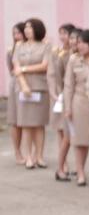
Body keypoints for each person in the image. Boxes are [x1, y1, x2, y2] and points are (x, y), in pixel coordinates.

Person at [12, 19, 51, 170]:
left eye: (30, 27)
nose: (27, 30)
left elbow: (44, 65)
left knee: (39, 124)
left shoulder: (45, 46)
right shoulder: (19, 46)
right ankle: (28, 156)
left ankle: (39, 156)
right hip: (23, 88)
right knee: (26, 124)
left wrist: (24, 69)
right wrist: (23, 85)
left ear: (38, 29)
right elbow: (16, 66)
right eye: (26, 27)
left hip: (40, 87)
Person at [63, 31, 89, 188]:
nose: (80, 46)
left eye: (83, 42)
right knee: (80, 140)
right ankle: (80, 172)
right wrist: (68, 107)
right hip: (79, 101)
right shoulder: (73, 59)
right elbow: (68, 85)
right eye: (78, 43)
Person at [50, 25, 73, 181]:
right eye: (62, 33)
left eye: (67, 34)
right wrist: (56, 94)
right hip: (60, 95)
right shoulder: (57, 53)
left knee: (69, 133)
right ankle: (63, 163)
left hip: (72, 95)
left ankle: (69, 164)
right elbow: (53, 75)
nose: (64, 37)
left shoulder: (75, 54)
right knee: (61, 130)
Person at [7, 22, 21, 166]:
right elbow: (11, 70)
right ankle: (17, 151)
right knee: (14, 120)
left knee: (28, 121)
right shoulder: (11, 50)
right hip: (15, 85)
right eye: (14, 33)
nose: (16, 36)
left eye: (19, 32)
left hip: (31, 86)